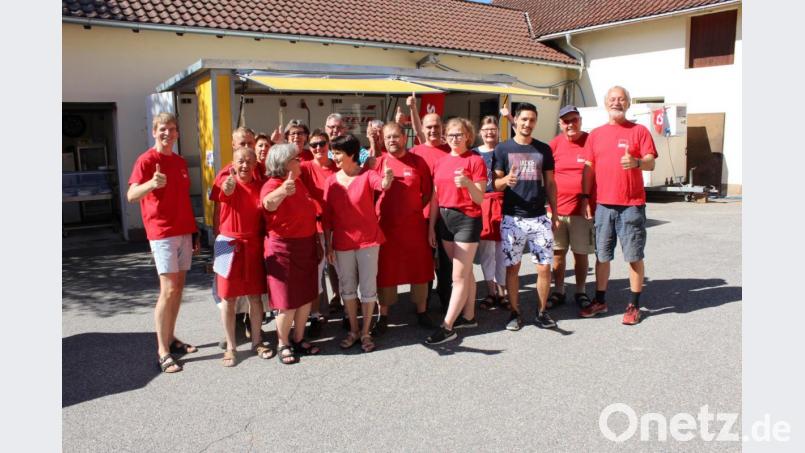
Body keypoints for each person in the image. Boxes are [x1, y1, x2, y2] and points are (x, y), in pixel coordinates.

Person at [127, 112, 200, 373]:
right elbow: (131, 195)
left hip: (183, 232)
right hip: (162, 233)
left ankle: (170, 337)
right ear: (155, 132)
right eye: (162, 129)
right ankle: (162, 350)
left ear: (177, 133)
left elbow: (182, 200)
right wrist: (150, 184)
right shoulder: (146, 160)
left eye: (171, 129)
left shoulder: (179, 162)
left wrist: (194, 232)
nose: (167, 133)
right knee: (167, 290)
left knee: (178, 289)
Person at [580, 86, 658, 325]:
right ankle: (600, 300)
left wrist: (636, 162)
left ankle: (634, 305)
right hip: (604, 205)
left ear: (628, 103)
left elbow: (651, 163)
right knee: (602, 255)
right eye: (612, 99)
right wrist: (585, 197)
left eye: (621, 99)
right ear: (606, 103)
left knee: (633, 255)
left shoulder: (639, 131)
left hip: (631, 205)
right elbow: (589, 169)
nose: (617, 102)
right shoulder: (596, 134)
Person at [492, 102, 560, 332]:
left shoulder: (543, 149)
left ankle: (542, 312)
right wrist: (506, 181)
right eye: (524, 120)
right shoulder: (502, 149)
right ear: (516, 120)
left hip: (539, 217)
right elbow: (495, 183)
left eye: (532, 120)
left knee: (544, 267)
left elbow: (550, 182)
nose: (527, 124)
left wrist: (555, 212)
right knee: (513, 268)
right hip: (512, 218)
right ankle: (514, 312)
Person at [323, 134, 393, 353]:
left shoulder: (367, 175)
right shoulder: (331, 181)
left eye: (337, 153)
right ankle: (353, 330)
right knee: (347, 289)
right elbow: (327, 218)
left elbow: (382, 184)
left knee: (369, 289)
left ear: (351, 154)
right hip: (342, 243)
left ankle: (365, 332)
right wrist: (328, 245)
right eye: (333, 152)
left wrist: (388, 179)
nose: (333, 157)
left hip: (368, 241)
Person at [425, 118, 487, 345]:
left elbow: (480, 198)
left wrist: (468, 183)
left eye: (459, 134)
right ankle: (469, 316)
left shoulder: (475, 160)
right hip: (444, 219)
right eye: (450, 135)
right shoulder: (441, 162)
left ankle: (447, 326)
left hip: (467, 220)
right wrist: (432, 226)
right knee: (465, 270)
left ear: (468, 136)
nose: (454, 139)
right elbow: (434, 196)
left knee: (457, 277)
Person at [371, 122, 436, 336]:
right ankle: (384, 315)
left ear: (404, 138)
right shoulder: (377, 163)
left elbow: (427, 193)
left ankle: (422, 311)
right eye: (388, 137)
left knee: (420, 269)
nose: (392, 140)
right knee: (386, 272)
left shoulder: (418, 162)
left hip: (414, 227)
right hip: (386, 228)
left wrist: (415, 208)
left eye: (396, 136)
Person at [210, 147, 272, 367]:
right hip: (227, 244)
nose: (244, 165)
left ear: (255, 163)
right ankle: (230, 346)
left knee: (255, 297)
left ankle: (257, 341)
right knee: (228, 299)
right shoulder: (225, 182)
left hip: (253, 244)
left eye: (248, 161)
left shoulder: (260, 187)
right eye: (240, 161)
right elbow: (222, 194)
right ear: (232, 163)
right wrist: (227, 188)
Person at [260, 143, 322, 364]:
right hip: (283, 249)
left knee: (305, 297)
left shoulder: (299, 183)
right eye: (296, 158)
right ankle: (282, 343)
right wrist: (282, 192)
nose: (300, 161)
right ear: (284, 163)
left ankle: (298, 339)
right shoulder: (273, 185)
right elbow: (268, 204)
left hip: (305, 246)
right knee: (287, 302)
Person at [547, 105, 597, 310]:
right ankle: (559, 290)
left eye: (574, 120)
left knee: (580, 253)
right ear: (560, 124)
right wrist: (548, 207)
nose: (570, 124)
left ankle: (581, 290)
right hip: (557, 211)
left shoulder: (591, 142)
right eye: (566, 121)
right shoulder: (554, 145)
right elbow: (546, 178)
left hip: (582, 210)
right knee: (558, 253)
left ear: (580, 120)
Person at [409, 107, 453, 312]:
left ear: (442, 128)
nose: (433, 130)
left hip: (448, 215)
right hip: (423, 216)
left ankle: (447, 300)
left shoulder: (451, 149)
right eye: (429, 127)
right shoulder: (415, 152)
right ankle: (422, 304)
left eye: (437, 126)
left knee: (446, 263)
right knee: (424, 262)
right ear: (423, 129)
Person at [298, 129, 340, 336]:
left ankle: (351, 313)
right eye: (313, 145)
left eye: (321, 144)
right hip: (316, 230)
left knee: (346, 272)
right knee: (316, 275)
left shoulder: (338, 167)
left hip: (341, 227)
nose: (317, 148)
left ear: (329, 145)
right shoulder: (304, 168)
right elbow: (280, 164)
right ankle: (314, 316)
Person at [474, 115, 508, 311]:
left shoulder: (505, 151)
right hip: (482, 203)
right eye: (485, 129)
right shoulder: (473, 154)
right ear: (480, 132)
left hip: (502, 203)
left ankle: (502, 291)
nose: (489, 132)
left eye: (492, 129)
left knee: (502, 250)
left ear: (498, 131)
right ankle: (490, 291)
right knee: (486, 251)